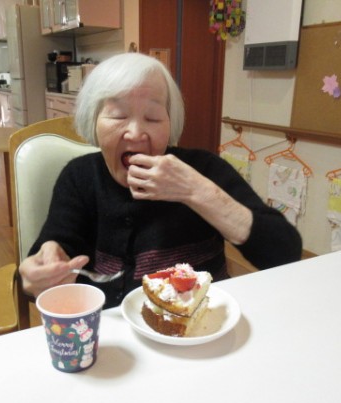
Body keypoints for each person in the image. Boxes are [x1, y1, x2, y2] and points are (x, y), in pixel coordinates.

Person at [18, 53, 302, 308]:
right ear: (93, 122)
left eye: (153, 118)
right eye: (118, 115)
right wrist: (42, 273)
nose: (136, 133)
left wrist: (196, 191)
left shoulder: (203, 169)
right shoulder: (80, 177)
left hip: (199, 327)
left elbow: (284, 253)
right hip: (110, 335)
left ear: (170, 123)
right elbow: (44, 265)